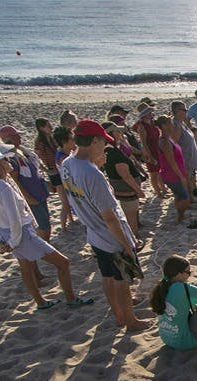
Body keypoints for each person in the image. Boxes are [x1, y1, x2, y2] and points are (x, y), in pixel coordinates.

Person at [59, 120, 150, 330]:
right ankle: (130, 321)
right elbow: (109, 216)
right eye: (103, 142)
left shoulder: (67, 164)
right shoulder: (93, 175)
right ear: (94, 141)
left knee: (107, 276)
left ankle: (118, 314)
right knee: (122, 280)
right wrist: (126, 244)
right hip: (109, 235)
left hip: (93, 233)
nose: (105, 147)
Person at [0, 145, 91, 311]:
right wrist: (14, 241)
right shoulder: (3, 186)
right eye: (4, 160)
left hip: (9, 233)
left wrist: (1, 240)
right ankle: (70, 298)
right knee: (63, 263)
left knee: (26, 267)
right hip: (21, 233)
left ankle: (41, 302)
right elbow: (14, 217)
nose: (9, 162)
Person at [151, 254, 197, 350]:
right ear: (178, 274)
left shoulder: (161, 287)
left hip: (166, 339)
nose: (190, 274)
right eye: (188, 272)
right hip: (186, 342)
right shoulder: (182, 287)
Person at [0, 124, 52, 239]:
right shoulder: (10, 157)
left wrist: (46, 184)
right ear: (9, 139)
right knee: (43, 226)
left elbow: (34, 172)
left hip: (39, 192)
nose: (20, 138)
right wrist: (28, 198)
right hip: (31, 196)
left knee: (45, 223)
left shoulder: (22, 152)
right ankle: (43, 251)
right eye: (17, 136)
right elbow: (14, 181)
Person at [101, 120, 146, 242]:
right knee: (130, 215)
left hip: (123, 188)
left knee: (130, 213)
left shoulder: (111, 149)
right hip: (126, 189)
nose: (120, 133)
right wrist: (138, 190)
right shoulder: (113, 152)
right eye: (117, 131)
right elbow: (125, 175)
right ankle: (135, 238)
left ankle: (133, 237)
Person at [155, 115, 196, 226]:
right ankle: (180, 216)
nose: (172, 125)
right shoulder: (164, 142)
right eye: (169, 123)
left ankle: (179, 215)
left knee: (179, 195)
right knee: (185, 198)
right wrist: (181, 177)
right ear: (163, 126)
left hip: (177, 173)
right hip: (172, 175)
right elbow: (171, 162)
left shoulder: (169, 138)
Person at [34, 117, 74, 232]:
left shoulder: (51, 138)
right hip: (54, 172)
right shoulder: (40, 142)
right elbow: (36, 159)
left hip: (58, 169)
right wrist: (47, 170)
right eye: (47, 125)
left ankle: (70, 220)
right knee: (64, 201)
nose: (50, 127)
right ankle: (63, 226)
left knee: (68, 197)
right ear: (41, 128)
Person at [170, 101, 197, 198]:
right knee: (185, 180)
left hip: (189, 158)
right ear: (176, 111)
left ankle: (191, 197)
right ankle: (188, 199)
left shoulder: (182, 123)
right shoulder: (175, 125)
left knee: (190, 178)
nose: (186, 112)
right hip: (183, 159)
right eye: (184, 110)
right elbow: (174, 144)